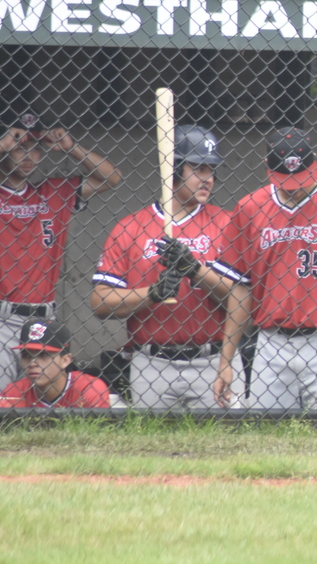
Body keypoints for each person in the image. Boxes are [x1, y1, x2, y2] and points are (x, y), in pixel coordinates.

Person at [0, 113, 122, 394]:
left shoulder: (53, 192)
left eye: (34, 148)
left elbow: (111, 177)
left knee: (38, 403)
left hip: (42, 318)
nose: (28, 155)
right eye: (19, 147)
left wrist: (71, 146)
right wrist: (1, 145)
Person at [211, 127, 317, 410]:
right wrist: (226, 360)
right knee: (264, 433)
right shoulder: (248, 209)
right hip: (271, 341)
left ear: (315, 163)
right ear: (266, 168)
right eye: (287, 180)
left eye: (302, 178)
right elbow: (240, 290)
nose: (296, 187)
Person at [90, 126, 237, 409]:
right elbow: (100, 303)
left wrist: (196, 272)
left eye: (211, 170)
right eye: (198, 169)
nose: (207, 178)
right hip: (150, 362)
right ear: (174, 169)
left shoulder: (229, 225)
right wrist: (152, 294)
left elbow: (245, 301)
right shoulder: (130, 228)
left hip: (215, 359)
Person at [0, 318, 112, 408]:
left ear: (65, 360)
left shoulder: (89, 389)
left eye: (43, 355)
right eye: (26, 355)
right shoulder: (14, 392)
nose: (32, 363)